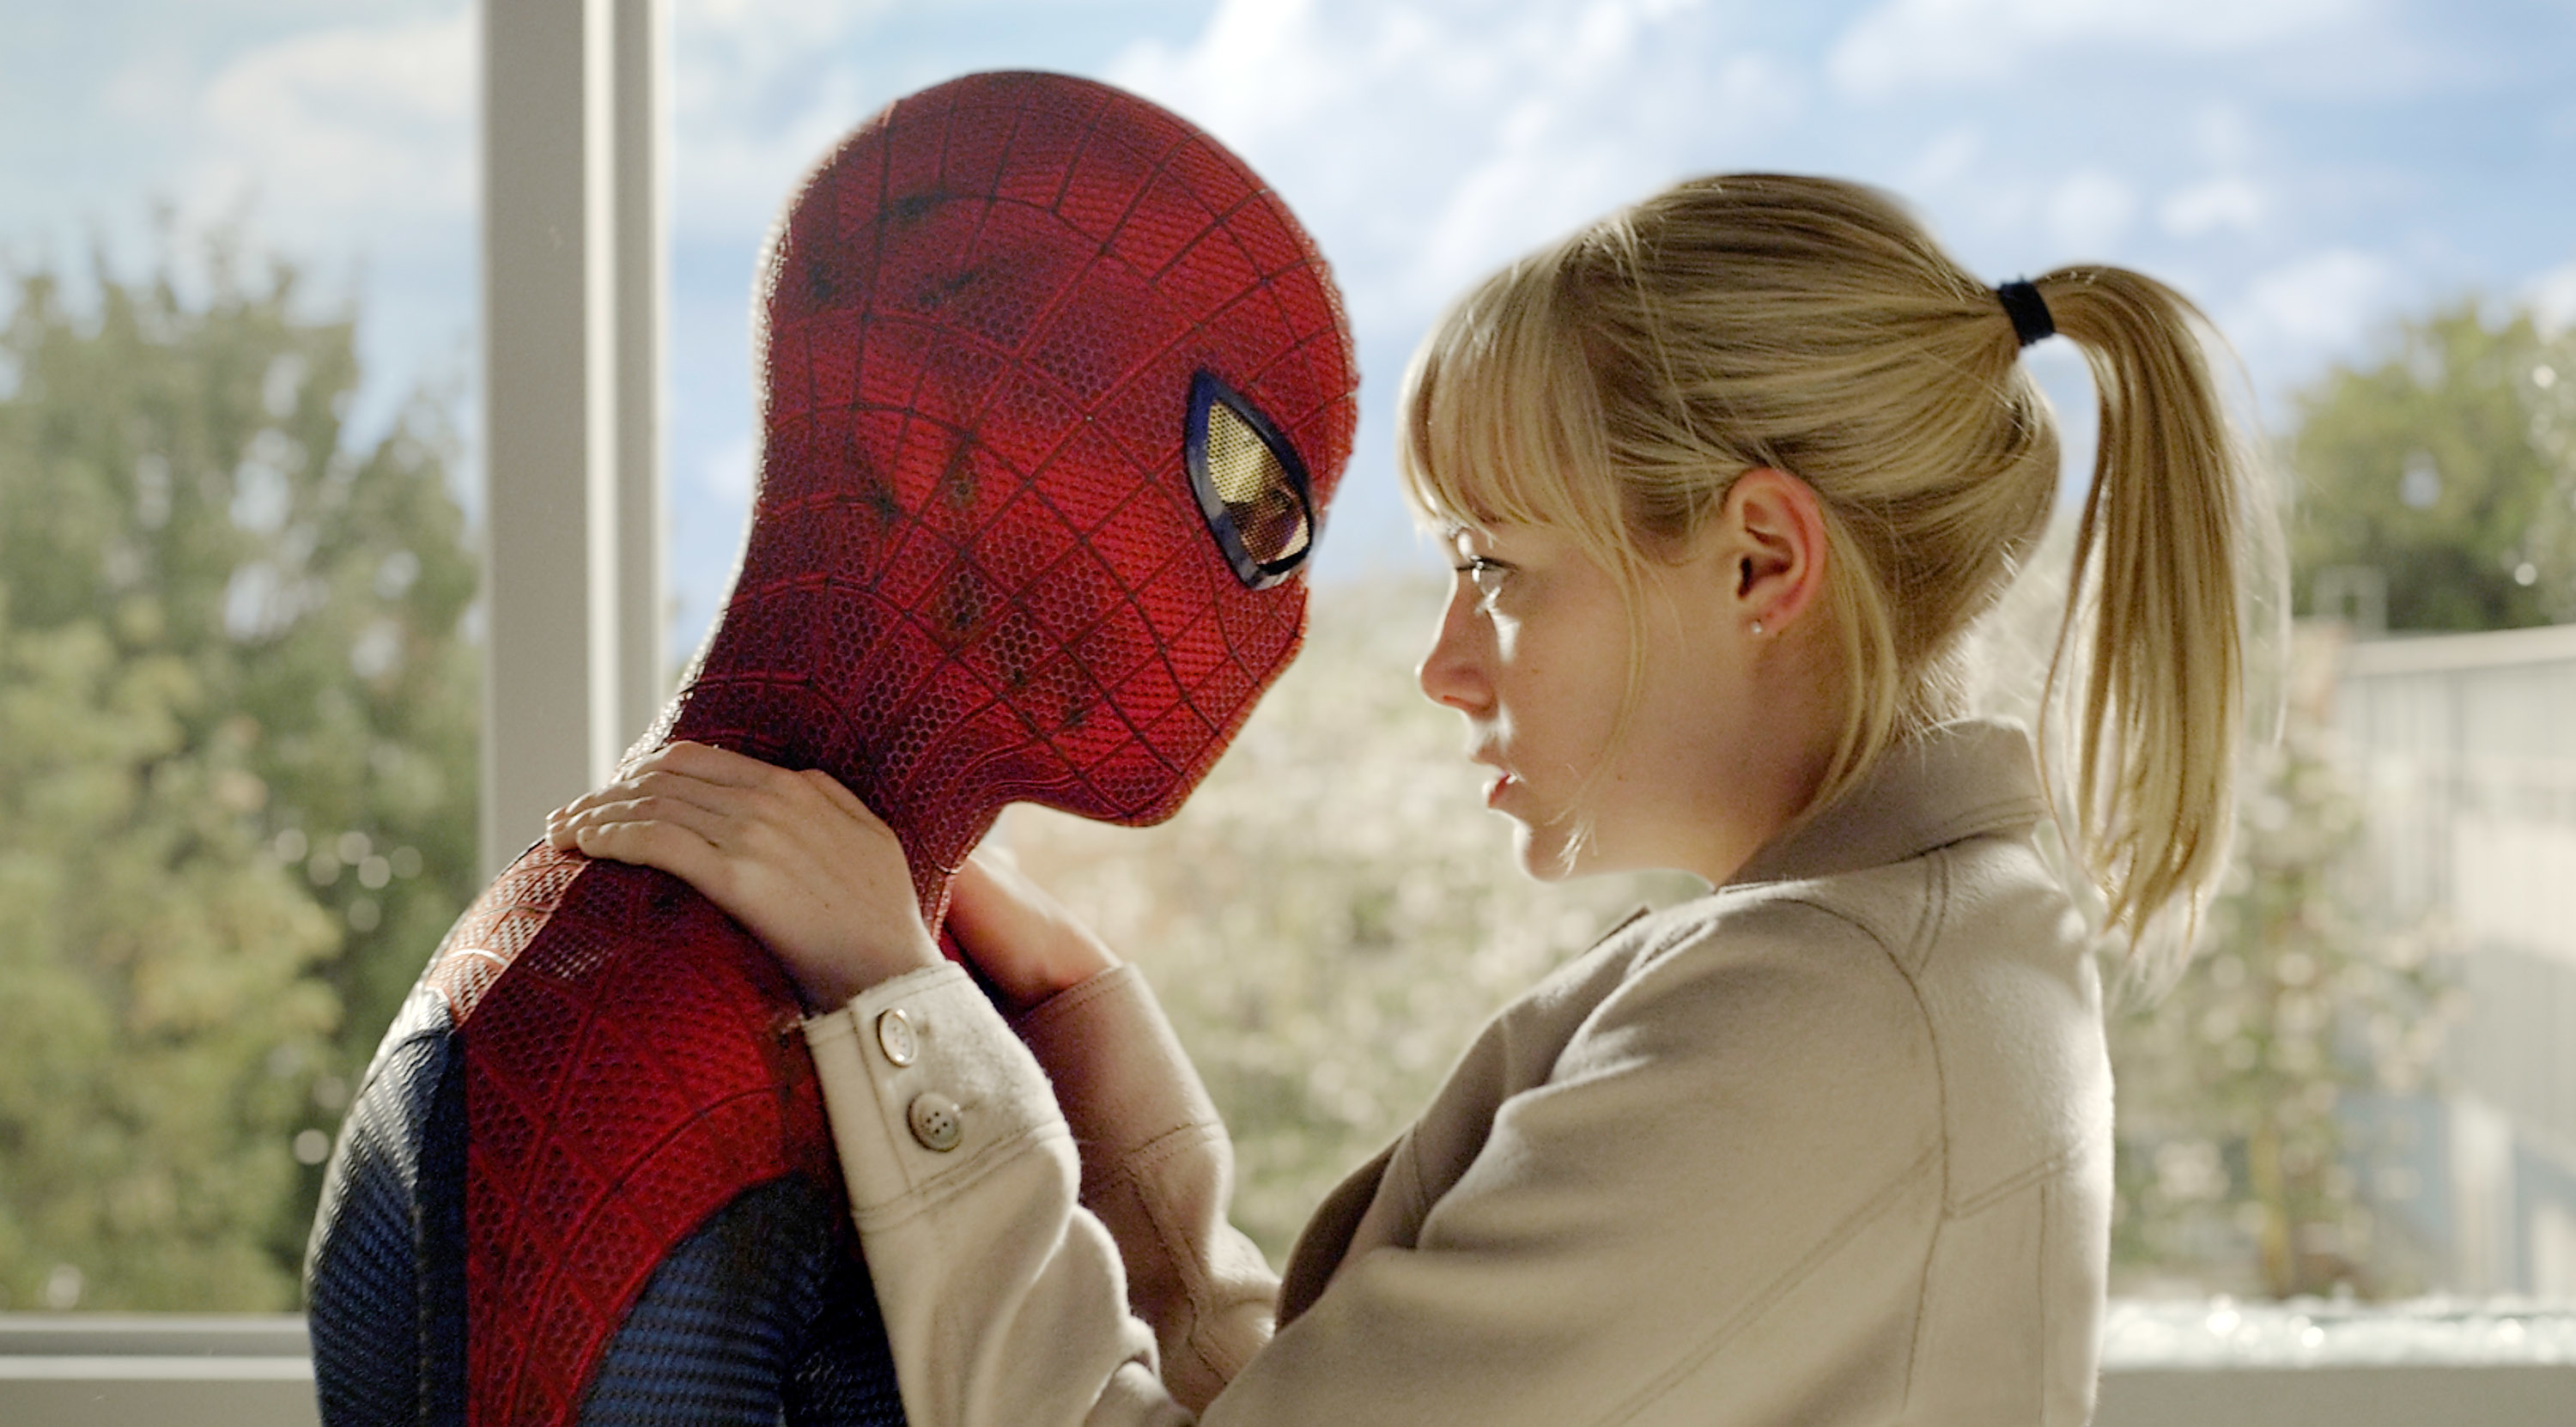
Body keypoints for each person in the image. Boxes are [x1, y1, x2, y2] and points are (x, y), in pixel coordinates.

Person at [550, 173, 2270, 1424]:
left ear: (1760, 559)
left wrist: (899, 1017)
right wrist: (1100, 1084)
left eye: (1498, 567)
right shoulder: (1926, 953)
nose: (1444, 663)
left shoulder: (1823, 1018)